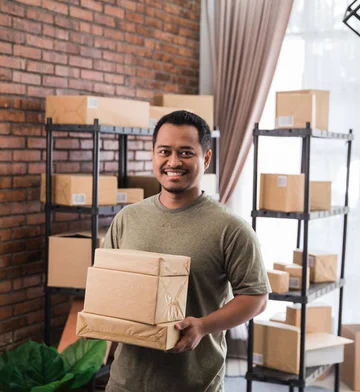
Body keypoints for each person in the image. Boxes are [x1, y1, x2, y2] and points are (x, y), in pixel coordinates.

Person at [103, 110, 270, 392]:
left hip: (194, 384)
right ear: (153, 155)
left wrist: (203, 326)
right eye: (164, 152)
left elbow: (256, 298)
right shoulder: (127, 219)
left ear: (205, 158)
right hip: (125, 382)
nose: (173, 162)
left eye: (185, 153)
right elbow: (110, 284)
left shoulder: (230, 228)